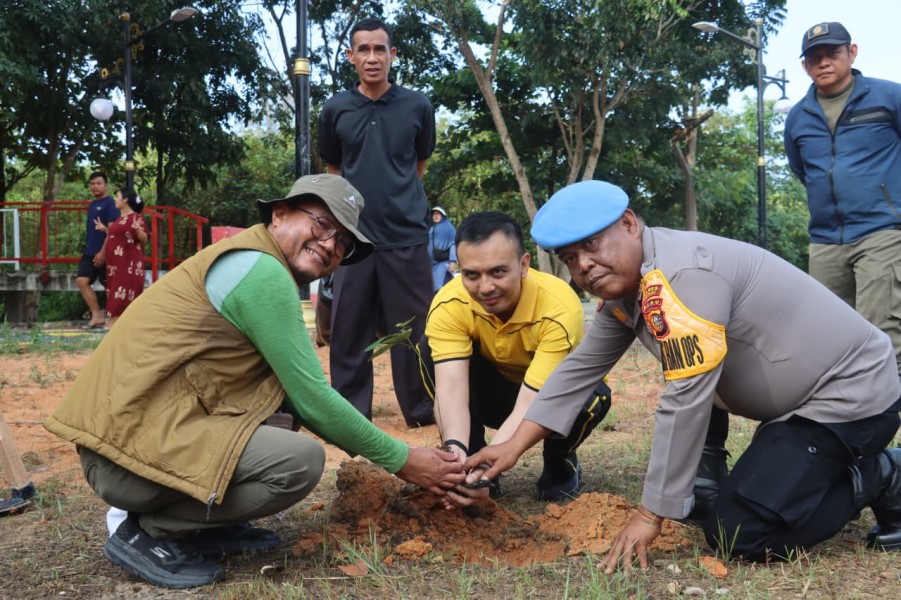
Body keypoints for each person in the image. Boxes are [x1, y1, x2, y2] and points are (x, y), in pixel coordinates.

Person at [44, 174, 463, 589]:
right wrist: (402, 459)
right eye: (322, 224)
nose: (330, 245)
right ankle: (152, 529)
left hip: (132, 440)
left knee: (280, 410)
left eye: (343, 243)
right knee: (298, 463)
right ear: (279, 215)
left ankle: (202, 526)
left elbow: (297, 400)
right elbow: (314, 398)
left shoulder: (250, 259)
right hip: (123, 459)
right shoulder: (260, 271)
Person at [465, 180, 901, 572]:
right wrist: (512, 446)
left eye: (594, 245)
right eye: (571, 258)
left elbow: (686, 396)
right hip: (792, 404)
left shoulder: (681, 275)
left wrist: (650, 514)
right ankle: (712, 481)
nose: (585, 266)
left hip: (848, 397)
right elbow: (579, 371)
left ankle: (884, 473)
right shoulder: (630, 285)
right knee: (705, 504)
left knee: (739, 534)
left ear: (630, 224)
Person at [420, 212, 610, 504]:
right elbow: (451, 390)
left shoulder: (557, 306)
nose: (485, 288)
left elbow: (531, 402)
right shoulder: (449, 303)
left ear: (523, 265)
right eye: (472, 274)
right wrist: (457, 456)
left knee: (591, 395)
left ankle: (560, 465)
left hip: (545, 401)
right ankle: (471, 456)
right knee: (425, 349)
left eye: (498, 272)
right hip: (493, 394)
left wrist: (487, 470)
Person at [318, 17, 436, 427]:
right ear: (351, 56)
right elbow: (335, 168)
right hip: (353, 242)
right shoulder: (335, 109)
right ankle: (350, 418)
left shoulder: (417, 105)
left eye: (379, 49)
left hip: (406, 237)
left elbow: (418, 165)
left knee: (415, 334)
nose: (372, 57)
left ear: (392, 55)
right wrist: (343, 222)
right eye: (363, 50)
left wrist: (398, 202)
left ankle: (423, 412)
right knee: (348, 332)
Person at [784, 21, 901, 376]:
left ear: (851, 52)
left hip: (882, 230)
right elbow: (802, 169)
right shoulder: (797, 117)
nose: (823, 63)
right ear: (805, 65)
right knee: (829, 335)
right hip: (825, 240)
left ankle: (886, 416)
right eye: (814, 57)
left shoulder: (888, 97)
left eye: (832, 53)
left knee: (882, 328)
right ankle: (844, 416)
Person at [95, 188, 147, 328]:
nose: (115, 200)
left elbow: (144, 239)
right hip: (115, 266)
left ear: (125, 200)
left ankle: (114, 329)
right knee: (114, 294)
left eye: (117, 196)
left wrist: (137, 229)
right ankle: (116, 330)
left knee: (121, 297)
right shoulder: (119, 219)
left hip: (128, 265)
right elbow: (118, 235)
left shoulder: (136, 217)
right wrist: (105, 229)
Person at [75, 172, 119, 328]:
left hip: (105, 252)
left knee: (111, 286)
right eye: (92, 183)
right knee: (81, 280)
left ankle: (116, 319)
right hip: (90, 251)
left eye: (98, 183)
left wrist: (103, 252)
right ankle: (96, 315)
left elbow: (112, 231)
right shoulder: (92, 204)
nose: (95, 186)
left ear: (105, 184)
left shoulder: (111, 203)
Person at [428, 205, 457, 292]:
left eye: (438, 214)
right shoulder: (432, 229)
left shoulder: (449, 228)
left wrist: (453, 261)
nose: (436, 216)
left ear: (443, 215)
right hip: (433, 264)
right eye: (434, 214)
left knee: (443, 288)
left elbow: (453, 244)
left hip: (444, 263)